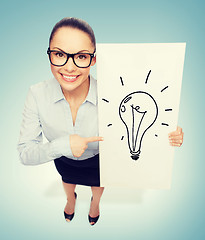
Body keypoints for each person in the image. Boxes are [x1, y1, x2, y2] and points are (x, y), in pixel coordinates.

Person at [17, 17, 184, 226]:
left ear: (93, 60)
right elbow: (25, 154)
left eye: (81, 56)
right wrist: (64, 145)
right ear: (49, 54)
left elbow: (138, 119)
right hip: (62, 158)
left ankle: (95, 205)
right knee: (67, 181)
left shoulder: (114, 93)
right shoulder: (36, 94)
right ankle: (70, 200)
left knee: (97, 185)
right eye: (59, 54)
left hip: (98, 161)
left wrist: (168, 133)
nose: (70, 67)